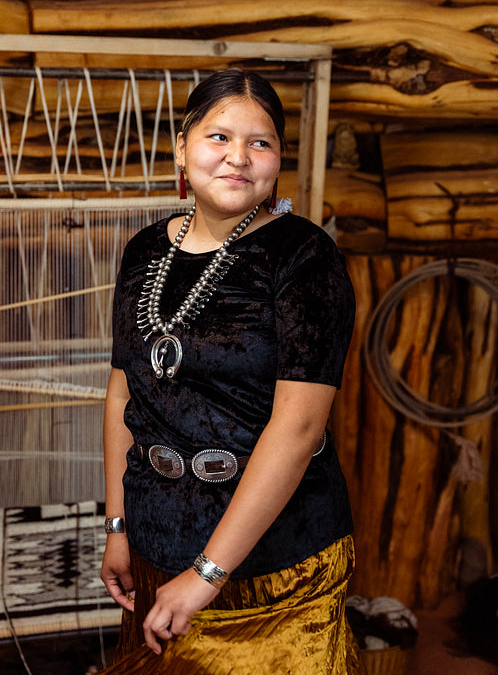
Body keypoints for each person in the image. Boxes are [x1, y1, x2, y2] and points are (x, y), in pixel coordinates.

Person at [100, 69, 364, 674]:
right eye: (218, 137)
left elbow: (297, 431)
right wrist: (118, 524)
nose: (237, 159)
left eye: (260, 142)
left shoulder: (303, 256)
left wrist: (205, 575)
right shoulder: (144, 251)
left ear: (279, 158)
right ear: (181, 148)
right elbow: (123, 394)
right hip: (154, 545)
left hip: (275, 568)